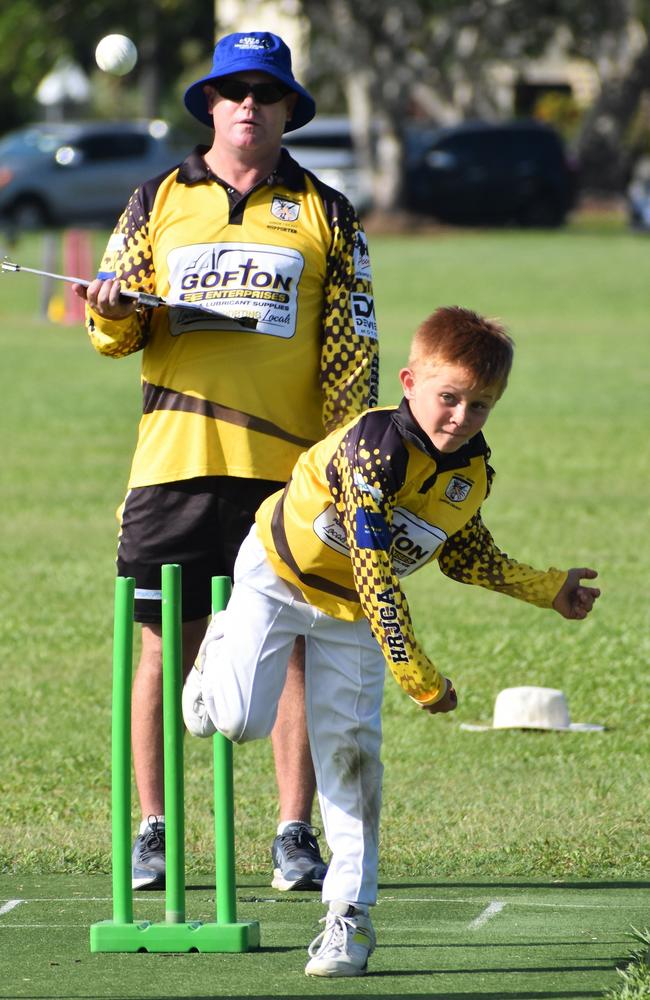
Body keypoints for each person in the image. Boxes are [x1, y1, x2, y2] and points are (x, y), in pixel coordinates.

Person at [182, 305, 600, 977]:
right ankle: (221, 645)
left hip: (350, 616)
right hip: (277, 576)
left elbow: (464, 554)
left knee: (351, 759)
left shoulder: (473, 472)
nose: (462, 416)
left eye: (481, 405)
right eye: (450, 397)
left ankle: (348, 920)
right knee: (235, 722)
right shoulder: (374, 447)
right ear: (409, 382)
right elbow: (375, 569)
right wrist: (420, 677)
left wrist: (547, 587)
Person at [72, 30, 379, 892]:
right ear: (209, 103)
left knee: (291, 647)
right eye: (233, 90)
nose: (248, 104)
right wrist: (112, 310)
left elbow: (354, 348)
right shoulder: (155, 199)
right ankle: (154, 832)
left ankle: (292, 835)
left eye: (265, 92)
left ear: (287, 109)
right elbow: (115, 330)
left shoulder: (327, 210)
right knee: (163, 644)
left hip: (288, 473)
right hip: (172, 463)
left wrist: (341, 467)